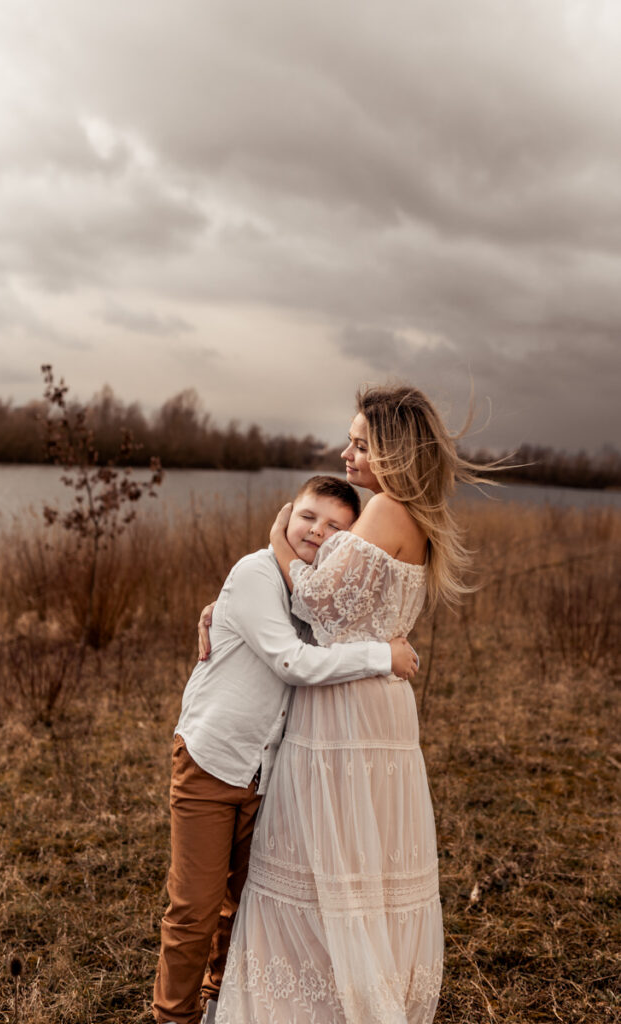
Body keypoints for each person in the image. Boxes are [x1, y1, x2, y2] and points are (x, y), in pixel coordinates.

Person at [216, 383, 487, 1024]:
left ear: (393, 452)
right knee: (356, 856)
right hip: (375, 705)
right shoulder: (405, 514)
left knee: (326, 855)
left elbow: (316, 603)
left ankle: (326, 1004)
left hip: (346, 713)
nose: (346, 453)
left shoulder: (388, 510)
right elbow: (336, 612)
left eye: (361, 443)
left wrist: (279, 537)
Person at [152, 475, 421, 1024]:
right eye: (308, 517)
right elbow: (292, 663)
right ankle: (170, 1016)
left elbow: (323, 628)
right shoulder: (253, 573)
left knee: (245, 905)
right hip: (213, 760)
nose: (317, 531)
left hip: (268, 772)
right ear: (287, 515)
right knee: (194, 909)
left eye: (334, 527)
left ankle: (216, 1005)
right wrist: (382, 656)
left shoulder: (314, 592)